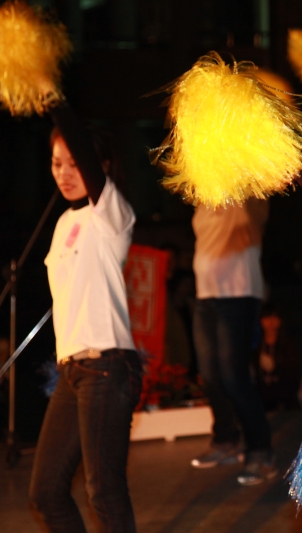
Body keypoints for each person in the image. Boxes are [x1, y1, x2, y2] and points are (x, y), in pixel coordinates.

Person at [29, 90, 142, 532]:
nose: (64, 173)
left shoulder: (110, 214)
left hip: (107, 367)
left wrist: (56, 102)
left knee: (102, 489)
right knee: (45, 492)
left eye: (74, 163)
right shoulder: (63, 223)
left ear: (100, 167)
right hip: (71, 372)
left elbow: (89, 166)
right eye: (56, 163)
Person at [189, 198, 277, 485]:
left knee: (234, 377)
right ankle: (226, 440)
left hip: (239, 293)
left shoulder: (246, 192)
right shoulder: (203, 194)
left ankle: (261, 451)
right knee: (211, 376)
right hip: (205, 295)